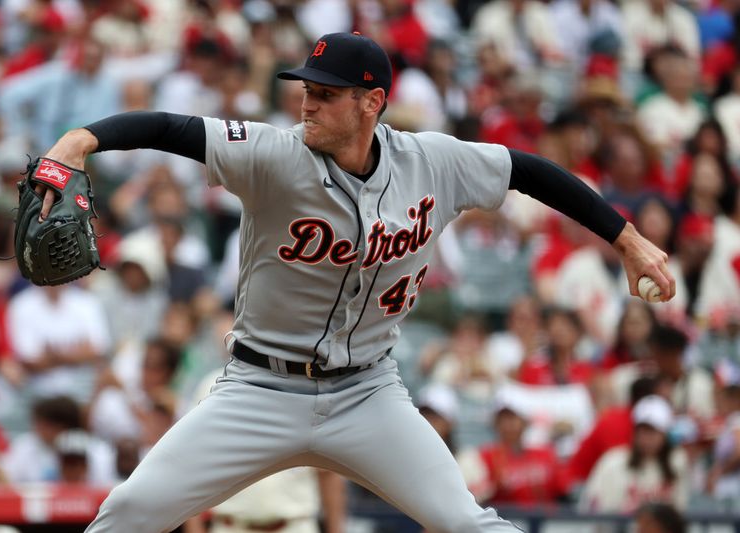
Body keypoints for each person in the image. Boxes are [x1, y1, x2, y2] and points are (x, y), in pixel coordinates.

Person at [33, 32, 674, 533]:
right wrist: (81, 140)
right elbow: (173, 129)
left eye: (327, 92)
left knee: (463, 520)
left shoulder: (433, 162)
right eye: (307, 88)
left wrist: (628, 239)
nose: (307, 101)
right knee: (130, 513)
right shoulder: (274, 154)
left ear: (372, 102)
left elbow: (530, 171)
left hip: (369, 393)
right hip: (259, 389)